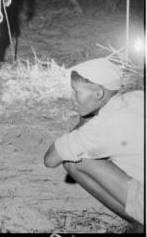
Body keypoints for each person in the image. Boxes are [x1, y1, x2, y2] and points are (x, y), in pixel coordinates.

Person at [44, 58, 144, 227]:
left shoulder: (101, 127)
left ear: (98, 93)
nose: (72, 97)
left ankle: (139, 223)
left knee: (73, 162)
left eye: (77, 92)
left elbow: (50, 159)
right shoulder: (138, 97)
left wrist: (84, 117)